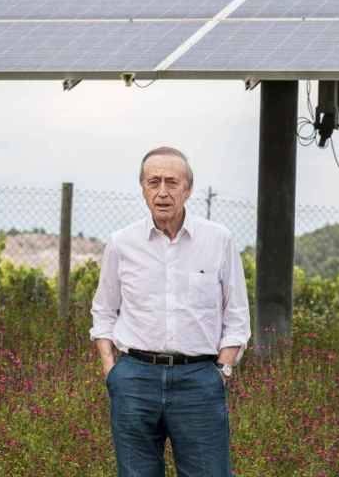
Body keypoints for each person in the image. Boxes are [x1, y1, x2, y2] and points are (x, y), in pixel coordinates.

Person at [89, 146, 252, 477]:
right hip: (134, 379)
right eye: (154, 182)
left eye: (172, 182)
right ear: (143, 188)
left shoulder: (219, 240)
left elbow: (237, 317)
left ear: (188, 189)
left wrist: (222, 372)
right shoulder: (122, 243)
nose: (162, 192)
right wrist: (111, 370)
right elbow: (103, 311)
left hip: (199, 380)